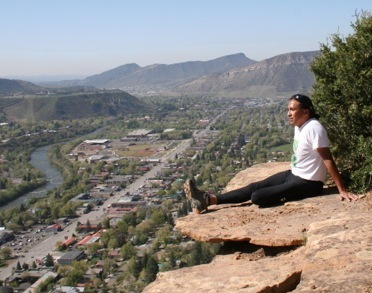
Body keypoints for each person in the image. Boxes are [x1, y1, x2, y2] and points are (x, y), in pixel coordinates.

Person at [184, 94, 358, 213]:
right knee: (254, 186)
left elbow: (327, 158)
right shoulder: (300, 126)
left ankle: (281, 195)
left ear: (306, 112)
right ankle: (207, 200)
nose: (288, 113)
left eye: (292, 109)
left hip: (308, 184)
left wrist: (342, 190)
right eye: (287, 109)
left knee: (257, 197)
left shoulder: (314, 128)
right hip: (294, 175)